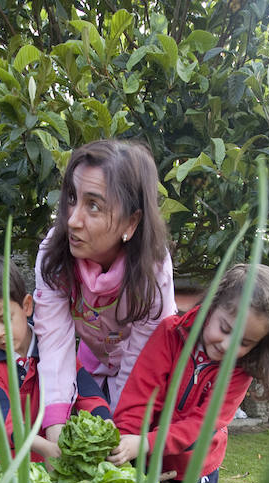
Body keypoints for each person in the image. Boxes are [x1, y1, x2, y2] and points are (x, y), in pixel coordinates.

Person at [108, 263, 269, 483]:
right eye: (225, 329)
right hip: (145, 457)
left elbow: (201, 424)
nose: (228, 346)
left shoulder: (240, 370)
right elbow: (140, 396)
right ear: (212, 306)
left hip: (195, 469)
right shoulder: (169, 333)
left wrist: (145, 442)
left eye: (244, 342)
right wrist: (124, 441)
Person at [33, 139, 177, 444]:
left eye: (94, 205)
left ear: (131, 221)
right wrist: (56, 427)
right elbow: (54, 344)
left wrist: (121, 434)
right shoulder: (53, 257)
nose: (72, 220)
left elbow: (142, 363)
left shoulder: (154, 271)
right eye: (72, 197)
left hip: (149, 375)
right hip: (92, 364)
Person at [0, 252, 111, 464]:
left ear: (27, 306)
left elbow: (87, 393)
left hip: (42, 452)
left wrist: (106, 425)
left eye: (5, 319)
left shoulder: (54, 349)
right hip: (0, 455)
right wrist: (47, 447)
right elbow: (3, 421)